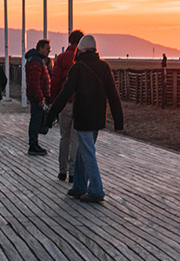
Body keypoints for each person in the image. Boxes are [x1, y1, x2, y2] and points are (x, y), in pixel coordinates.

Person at [45, 35, 123, 202]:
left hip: (83, 116)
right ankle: (79, 186)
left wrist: (50, 116)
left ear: (80, 50)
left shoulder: (78, 68)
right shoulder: (103, 66)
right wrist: (118, 120)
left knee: (87, 151)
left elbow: (64, 94)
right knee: (82, 150)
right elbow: (113, 95)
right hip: (97, 116)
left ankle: (96, 189)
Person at [50, 30, 83, 182]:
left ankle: (62, 170)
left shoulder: (62, 58)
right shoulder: (82, 58)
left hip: (65, 103)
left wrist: (54, 100)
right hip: (79, 102)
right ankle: (73, 172)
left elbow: (55, 81)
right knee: (76, 137)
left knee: (65, 137)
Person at [24, 38, 52, 156]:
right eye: (47, 48)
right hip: (36, 96)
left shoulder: (37, 60)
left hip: (37, 95)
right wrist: (40, 99)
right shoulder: (36, 62)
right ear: (40, 48)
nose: (49, 51)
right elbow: (35, 82)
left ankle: (34, 144)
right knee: (35, 120)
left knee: (37, 119)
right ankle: (33, 145)